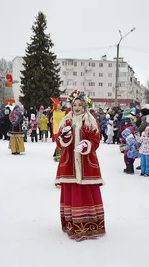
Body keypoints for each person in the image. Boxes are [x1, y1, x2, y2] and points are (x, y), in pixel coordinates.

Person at [55, 90, 105, 241]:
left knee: (87, 192)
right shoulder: (66, 120)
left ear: (85, 106)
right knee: (72, 191)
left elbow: (95, 140)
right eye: (74, 104)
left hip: (87, 164)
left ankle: (90, 225)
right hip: (69, 163)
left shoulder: (90, 120)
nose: (77, 107)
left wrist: (86, 145)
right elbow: (59, 141)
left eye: (80, 105)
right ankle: (72, 224)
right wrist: (65, 137)